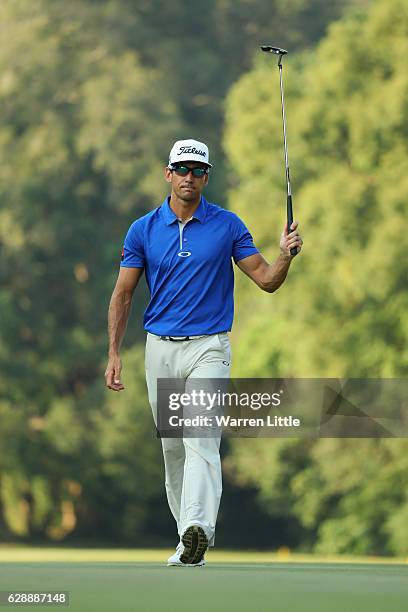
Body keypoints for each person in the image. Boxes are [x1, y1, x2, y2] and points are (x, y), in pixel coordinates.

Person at [105, 138, 303, 567]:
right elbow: (123, 294)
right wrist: (114, 353)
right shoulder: (143, 228)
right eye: (182, 169)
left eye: (197, 171)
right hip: (160, 349)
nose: (189, 177)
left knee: (201, 437)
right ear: (168, 173)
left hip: (210, 347)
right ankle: (186, 539)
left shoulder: (228, 225)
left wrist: (285, 255)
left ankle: (198, 528)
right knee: (173, 449)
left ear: (206, 176)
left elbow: (267, 280)